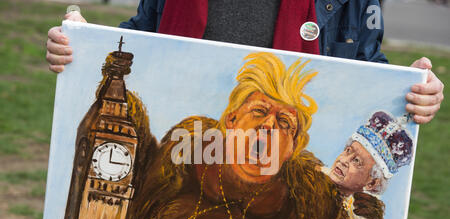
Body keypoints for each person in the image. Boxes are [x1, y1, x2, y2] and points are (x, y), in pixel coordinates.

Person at [125, 52, 358, 219]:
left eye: (284, 122)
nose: (268, 125)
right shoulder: (185, 164)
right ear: (231, 120)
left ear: (292, 147)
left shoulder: (307, 212)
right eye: (259, 111)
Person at [46, 0, 444, 125]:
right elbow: (143, 38)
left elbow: (366, 67)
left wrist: (414, 92)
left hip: (280, 178)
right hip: (185, 158)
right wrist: (82, 46)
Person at [324, 111, 414, 219]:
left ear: (372, 183)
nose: (344, 160)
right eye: (347, 151)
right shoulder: (306, 177)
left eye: (356, 161)